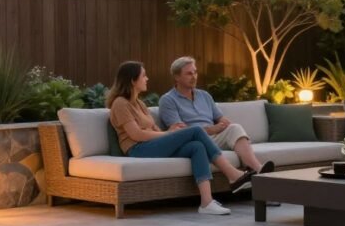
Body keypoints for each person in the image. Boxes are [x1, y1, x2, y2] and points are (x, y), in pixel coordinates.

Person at [108, 60, 254, 216]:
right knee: (196, 131)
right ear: (132, 80)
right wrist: (168, 134)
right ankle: (232, 174)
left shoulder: (139, 104)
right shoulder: (120, 104)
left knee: (197, 146)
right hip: (137, 149)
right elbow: (136, 134)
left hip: (151, 144)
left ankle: (206, 202)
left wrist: (169, 132)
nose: (147, 78)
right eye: (144, 75)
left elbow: (152, 128)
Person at [158, 56, 275, 176]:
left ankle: (256, 169)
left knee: (235, 127)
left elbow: (219, 117)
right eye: (189, 74)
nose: (194, 77)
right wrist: (210, 129)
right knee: (202, 136)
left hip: (214, 137)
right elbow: (178, 132)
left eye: (195, 72)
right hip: (195, 140)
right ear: (177, 77)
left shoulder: (204, 95)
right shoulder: (168, 100)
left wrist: (224, 123)